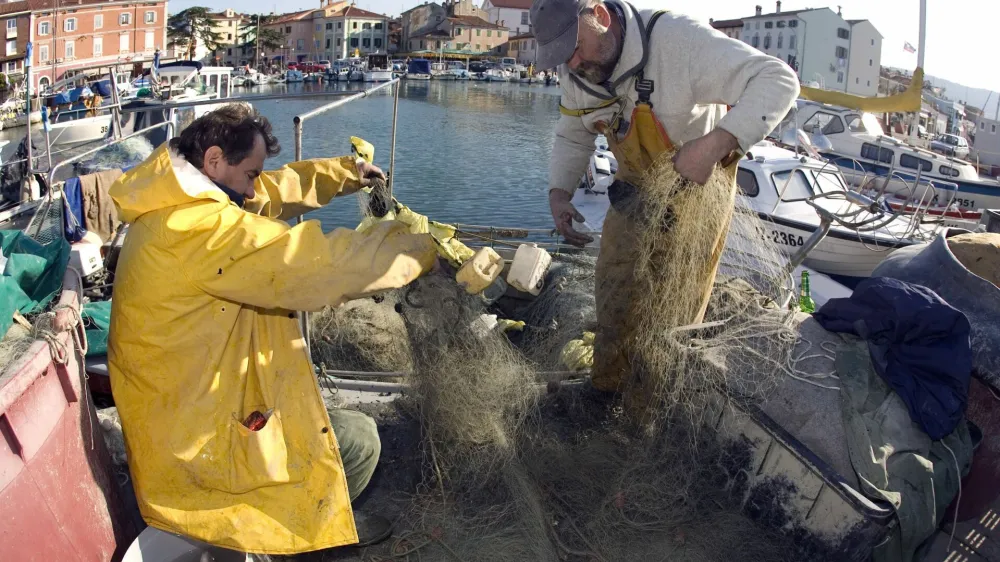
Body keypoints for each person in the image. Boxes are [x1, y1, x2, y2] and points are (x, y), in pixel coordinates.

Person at [108, 104, 437, 555]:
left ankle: (312, 519)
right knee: (357, 440)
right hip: (195, 438)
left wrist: (344, 173)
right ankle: (292, 540)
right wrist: (414, 249)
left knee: (329, 429)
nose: (254, 186)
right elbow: (308, 265)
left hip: (186, 405)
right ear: (215, 160)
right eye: (250, 173)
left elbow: (265, 193)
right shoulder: (196, 229)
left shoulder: (177, 195)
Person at [532, 0, 800, 393]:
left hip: (696, 194)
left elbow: (778, 80)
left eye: (574, 50)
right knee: (615, 297)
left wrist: (715, 144)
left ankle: (647, 410)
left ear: (601, 17)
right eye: (561, 57)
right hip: (634, 192)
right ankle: (605, 390)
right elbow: (574, 134)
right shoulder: (576, 73)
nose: (570, 65)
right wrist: (559, 193)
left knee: (672, 317)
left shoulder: (679, 40)